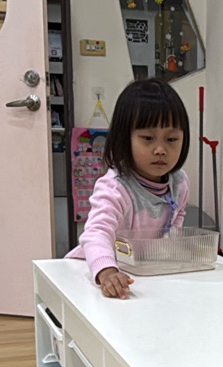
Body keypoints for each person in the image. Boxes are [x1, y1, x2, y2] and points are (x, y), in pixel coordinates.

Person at [66, 78, 190, 299]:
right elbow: (96, 232)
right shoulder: (115, 187)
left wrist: (170, 247)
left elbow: (178, 214)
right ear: (125, 138)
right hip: (95, 272)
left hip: (140, 272)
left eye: (171, 139)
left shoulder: (179, 183)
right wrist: (107, 271)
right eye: (148, 138)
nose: (160, 149)